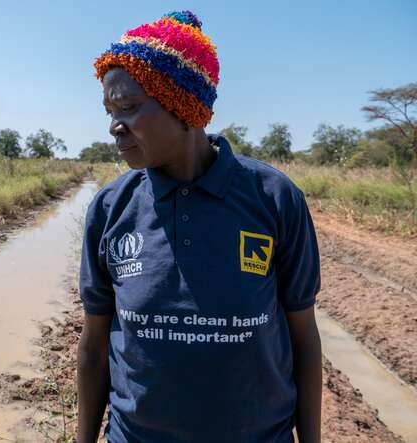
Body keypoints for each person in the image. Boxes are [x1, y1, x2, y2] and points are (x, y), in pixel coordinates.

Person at [76, 10, 322, 443]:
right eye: (110, 110)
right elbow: (95, 344)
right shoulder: (112, 209)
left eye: (130, 108)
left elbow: (303, 337)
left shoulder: (273, 198)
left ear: (185, 106)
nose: (115, 126)